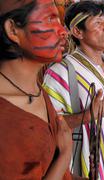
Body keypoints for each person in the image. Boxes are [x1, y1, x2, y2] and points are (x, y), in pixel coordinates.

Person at [43, 1, 104, 179]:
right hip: (83, 166)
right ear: (78, 32)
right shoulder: (60, 72)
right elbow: (47, 127)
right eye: (99, 23)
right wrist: (88, 116)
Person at [0, 0, 72, 179]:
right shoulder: (4, 114)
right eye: (50, 20)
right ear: (13, 30)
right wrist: (64, 156)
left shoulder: (37, 90)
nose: (63, 31)